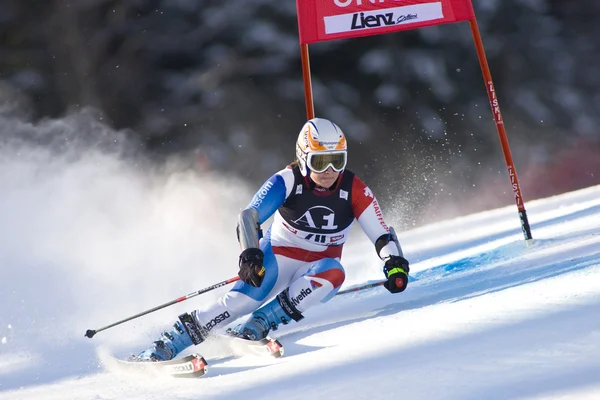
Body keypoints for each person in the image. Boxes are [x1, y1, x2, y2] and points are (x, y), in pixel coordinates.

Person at [135, 117, 410, 361]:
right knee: (241, 303)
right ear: (303, 158)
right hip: (277, 256)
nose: (329, 171)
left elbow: (382, 234)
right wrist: (251, 253)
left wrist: (394, 262)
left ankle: (260, 324)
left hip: (318, 267)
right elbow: (249, 216)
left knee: (335, 273)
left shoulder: (354, 189)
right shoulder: (287, 181)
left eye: (337, 161)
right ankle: (171, 342)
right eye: (320, 161)